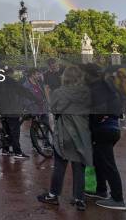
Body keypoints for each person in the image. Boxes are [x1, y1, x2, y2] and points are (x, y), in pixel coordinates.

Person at [37, 66, 92, 211]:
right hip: (82, 133)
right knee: (79, 167)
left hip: (64, 132)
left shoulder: (59, 92)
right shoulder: (86, 93)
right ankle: (79, 199)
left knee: (60, 166)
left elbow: (54, 110)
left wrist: (49, 95)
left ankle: (53, 195)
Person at [85, 66, 126, 211]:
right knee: (100, 160)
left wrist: (94, 122)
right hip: (111, 128)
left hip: (103, 129)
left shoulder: (98, 88)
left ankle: (117, 198)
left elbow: (99, 109)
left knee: (108, 164)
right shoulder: (108, 87)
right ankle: (101, 189)